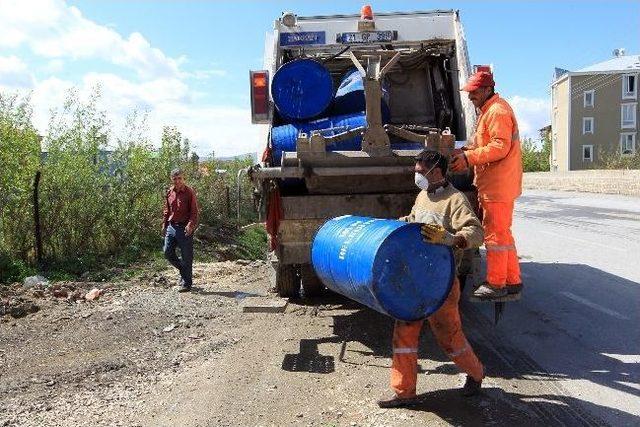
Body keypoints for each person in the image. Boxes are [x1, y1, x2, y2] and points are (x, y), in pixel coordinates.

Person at [377, 149, 485, 408]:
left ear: (436, 172)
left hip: (442, 283)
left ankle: (476, 373)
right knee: (404, 332)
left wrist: (451, 239)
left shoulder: (455, 200)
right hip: (416, 279)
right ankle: (404, 392)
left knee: (449, 337)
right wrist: (397, 224)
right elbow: (415, 221)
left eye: (419, 172)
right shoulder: (423, 196)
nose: (417, 177)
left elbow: (477, 233)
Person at [450, 71, 523, 300]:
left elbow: (500, 147)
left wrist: (469, 159)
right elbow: (483, 143)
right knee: (503, 234)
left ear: (487, 90)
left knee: (495, 235)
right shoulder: (489, 110)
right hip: (496, 183)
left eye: (474, 92)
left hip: (498, 185)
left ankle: (496, 284)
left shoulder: (497, 111)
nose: (470, 96)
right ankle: (512, 280)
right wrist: (464, 152)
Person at [162, 168, 199, 292]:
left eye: (180, 178)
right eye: (175, 179)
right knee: (167, 251)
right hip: (171, 227)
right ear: (171, 179)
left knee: (186, 256)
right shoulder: (169, 192)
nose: (178, 181)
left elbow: (194, 212)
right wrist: (164, 224)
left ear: (184, 178)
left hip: (184, 227)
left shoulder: (189, 192)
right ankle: (184, 271)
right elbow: (167, 210)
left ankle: (186, 283)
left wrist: (190, 225)